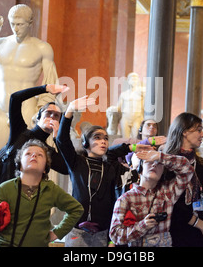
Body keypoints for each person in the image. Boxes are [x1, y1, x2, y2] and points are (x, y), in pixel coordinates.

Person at [0, 4, 59, 217]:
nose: (16, 28)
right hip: (0, 113)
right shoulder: (0, 43)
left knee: (32, 166)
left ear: (30, 23)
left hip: (27, 113)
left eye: (20, 24)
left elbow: (50, 83)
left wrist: (42, 113)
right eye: (13, 24)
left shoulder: (42, 48)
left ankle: (35, 215)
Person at [55, 96, 153, 247]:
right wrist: (70, 110)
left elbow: (114, 155)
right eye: (97, 137)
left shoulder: (110, 166)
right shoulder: (77, 162)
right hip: (77, 231)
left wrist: (135, 147)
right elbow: (62, 140)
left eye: (105, 139)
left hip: (102, 232)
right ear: (85, 143)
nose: (103, 141)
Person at [0, 139, 83, 247]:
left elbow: (76, 209)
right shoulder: (5, 188)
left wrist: (57, 233)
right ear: (20, 165)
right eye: (28, 154)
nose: (34, 156)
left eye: (40, 155)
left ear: (45, 168)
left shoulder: (51, 189)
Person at [0, 84, 69, 191]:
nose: (52, 116)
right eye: (48, 113)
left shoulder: (47, 151)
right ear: (38, 117)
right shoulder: (20, 132)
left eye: (56, 115)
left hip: (27, 199)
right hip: (4, 196)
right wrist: (45, 88)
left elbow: (66, 168)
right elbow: (15, 98)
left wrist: (58, 138)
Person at [109, 149, 195, 247]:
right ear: (140, 169)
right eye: (149, 161)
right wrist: (143, 225)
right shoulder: (126, 199)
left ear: (163, 171)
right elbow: (115, 235)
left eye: (159, 164)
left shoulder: (168, 191)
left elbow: (187, 169)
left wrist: (160, 157)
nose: (154, 165)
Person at [165, 112, 203, 247]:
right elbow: (169, 203)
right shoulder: (169, 163)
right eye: (199, 130)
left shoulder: (199, 164)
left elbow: (202, 198)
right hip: (176, 232)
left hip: (200, 230)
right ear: (184, 131)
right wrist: (198, 223)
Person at [117, 72, 145, 139]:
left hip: (137, 117)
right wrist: (111, 109)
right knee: (125, 138)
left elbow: (145, 106)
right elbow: (118, 107)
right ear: (128, 81)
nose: (133, 81)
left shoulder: (142, 93)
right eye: (132, 79)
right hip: (125, 117)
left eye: (135, 79)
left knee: (136, 137)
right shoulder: (124, 94)